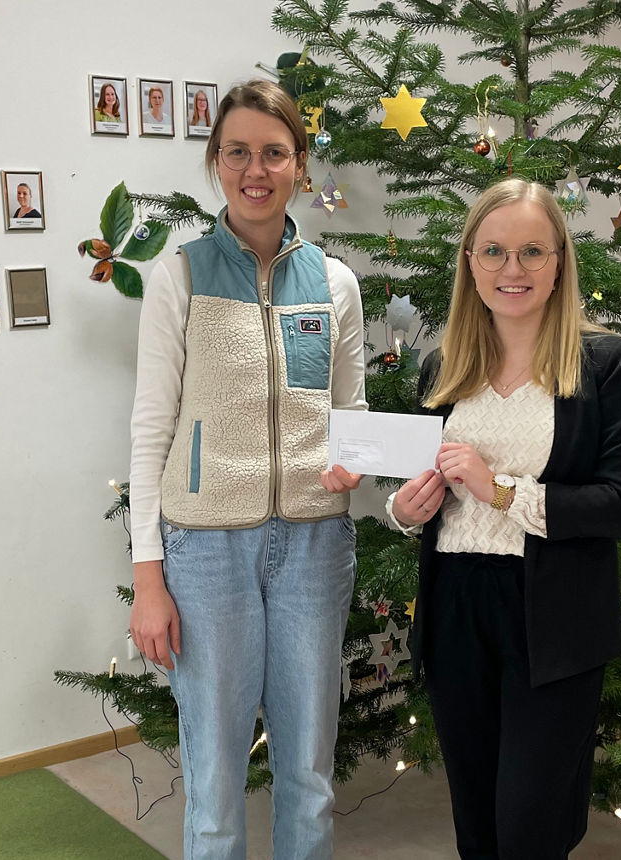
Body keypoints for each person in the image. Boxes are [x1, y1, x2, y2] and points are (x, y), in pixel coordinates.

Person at [127, 78, 366, 859]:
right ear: (216, 161)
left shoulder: (334, 284)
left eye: (273, 152)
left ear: (300, 163)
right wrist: (149, 578)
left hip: (314, 545)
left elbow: (350, 413)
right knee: (215, 780)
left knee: (309, 772)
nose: (254, 170)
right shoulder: (180, 277)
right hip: (205, 552)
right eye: (237, 152)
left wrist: (352, 463)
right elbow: (151, 431)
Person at [387, 177, 621, 859]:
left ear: (560, 262)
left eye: (533, 251)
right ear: (470, 263)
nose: (514, 269)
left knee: (531, 827)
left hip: (553, 617)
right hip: (455, 609)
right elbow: (425, 488)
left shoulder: (606, 365)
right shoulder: (443, 368)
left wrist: (499, 489)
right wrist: (405, 510)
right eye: (494, 251)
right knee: (477, 825)